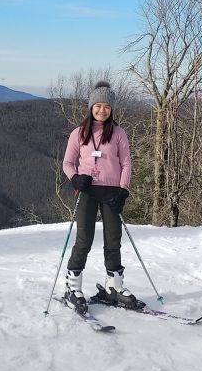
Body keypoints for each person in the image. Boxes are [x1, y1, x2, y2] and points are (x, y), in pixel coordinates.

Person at [61, 81, 144, 313]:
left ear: (111, 108)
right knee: (84, 239)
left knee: (113, 240)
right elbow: (67, 163)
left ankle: (113, 288)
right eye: (97, 105)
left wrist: (124, 190)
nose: (101, 110)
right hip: (87, 191)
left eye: (106, 106)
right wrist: (75, 178)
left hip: (111, 192)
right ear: (91, 107)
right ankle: (72, 287)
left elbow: (127, 162)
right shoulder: (79, 133)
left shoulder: (118, 133)